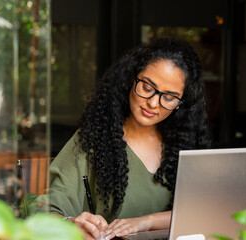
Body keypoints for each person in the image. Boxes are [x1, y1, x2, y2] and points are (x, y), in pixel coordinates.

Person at [49, 38, 212, 240]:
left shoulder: (183, 146)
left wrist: (147, 221)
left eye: (169, 98)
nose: (153, 103)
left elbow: (204, 214)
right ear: (130, 79)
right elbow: (49, 211)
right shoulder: (94, 139)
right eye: (147, 87)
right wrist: (73, 223)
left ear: (181, 103)